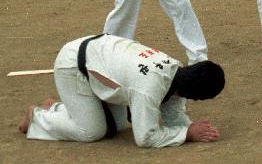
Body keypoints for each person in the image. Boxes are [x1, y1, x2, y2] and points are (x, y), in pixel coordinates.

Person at [19, 34, 223, 147]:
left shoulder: (177, 70)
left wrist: (188, 126)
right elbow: (145, 137)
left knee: (120, 123)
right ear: (194, 96)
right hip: (73, 66)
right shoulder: (149, 88)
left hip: (95, 59)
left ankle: (57, 109)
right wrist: (186, 134)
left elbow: (172, 108)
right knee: (92, 131)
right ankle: (37, 117)